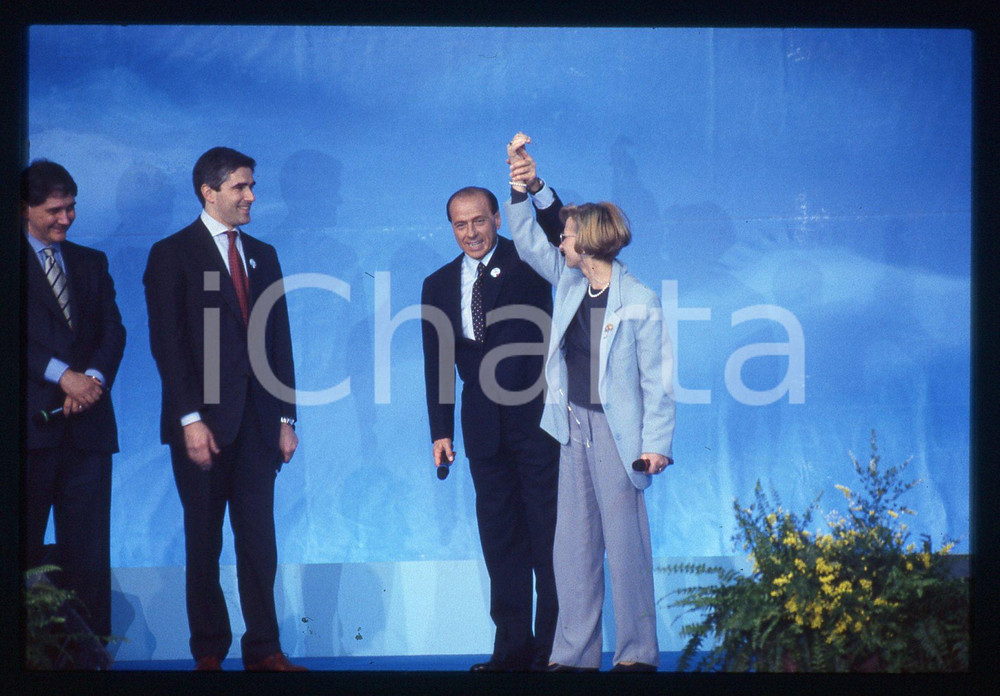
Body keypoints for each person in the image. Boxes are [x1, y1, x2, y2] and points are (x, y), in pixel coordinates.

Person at [506, 140, 676, 672]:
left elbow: (659, 383)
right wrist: (520, 189)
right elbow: (527, 239)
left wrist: (656, 447)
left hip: (619, 433)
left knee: (626, 548)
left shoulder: (640, 300)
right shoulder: (569, 281)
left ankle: (636, 654)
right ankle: (574, 654)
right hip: (572, 425)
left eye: (568, 235)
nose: (560, 242)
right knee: (572, 547)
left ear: (592, 241)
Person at [143, 147, 304, 671]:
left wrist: (285, 417)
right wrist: (190, 419)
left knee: (260, 542)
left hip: (259, 426)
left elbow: (278, 340)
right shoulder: (172, 254)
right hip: (204, 427)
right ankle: (209, 652)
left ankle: (265, 649)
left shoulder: (264, 253)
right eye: (240, 187)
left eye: (251, 185)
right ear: (208, 192)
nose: (251, 195)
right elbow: (169, 345)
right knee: (204, 541)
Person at [420, 185, 560, 671]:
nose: (471, 232)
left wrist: (536, 189)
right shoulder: (437, 284)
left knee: (548, 540)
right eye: (460, 224)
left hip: (538, 422)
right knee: (501, 543)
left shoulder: (529, 262)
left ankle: (555, 651)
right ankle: (512, 652)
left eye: (479, 221)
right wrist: (441, 432)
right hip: (482, 429)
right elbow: (437, 364)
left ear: (497, 218)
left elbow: (560, 233)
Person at [23, 160, 126, 645]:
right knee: (22, 550)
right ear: (24, 209)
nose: (66, 218)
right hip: (28, 434)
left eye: (71, 208)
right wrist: (61, 376)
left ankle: (94, 655)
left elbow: (113, 331)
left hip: (87, 432)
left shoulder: (90, 262)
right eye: (54, 210)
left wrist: (92, 382)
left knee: (88, 554)